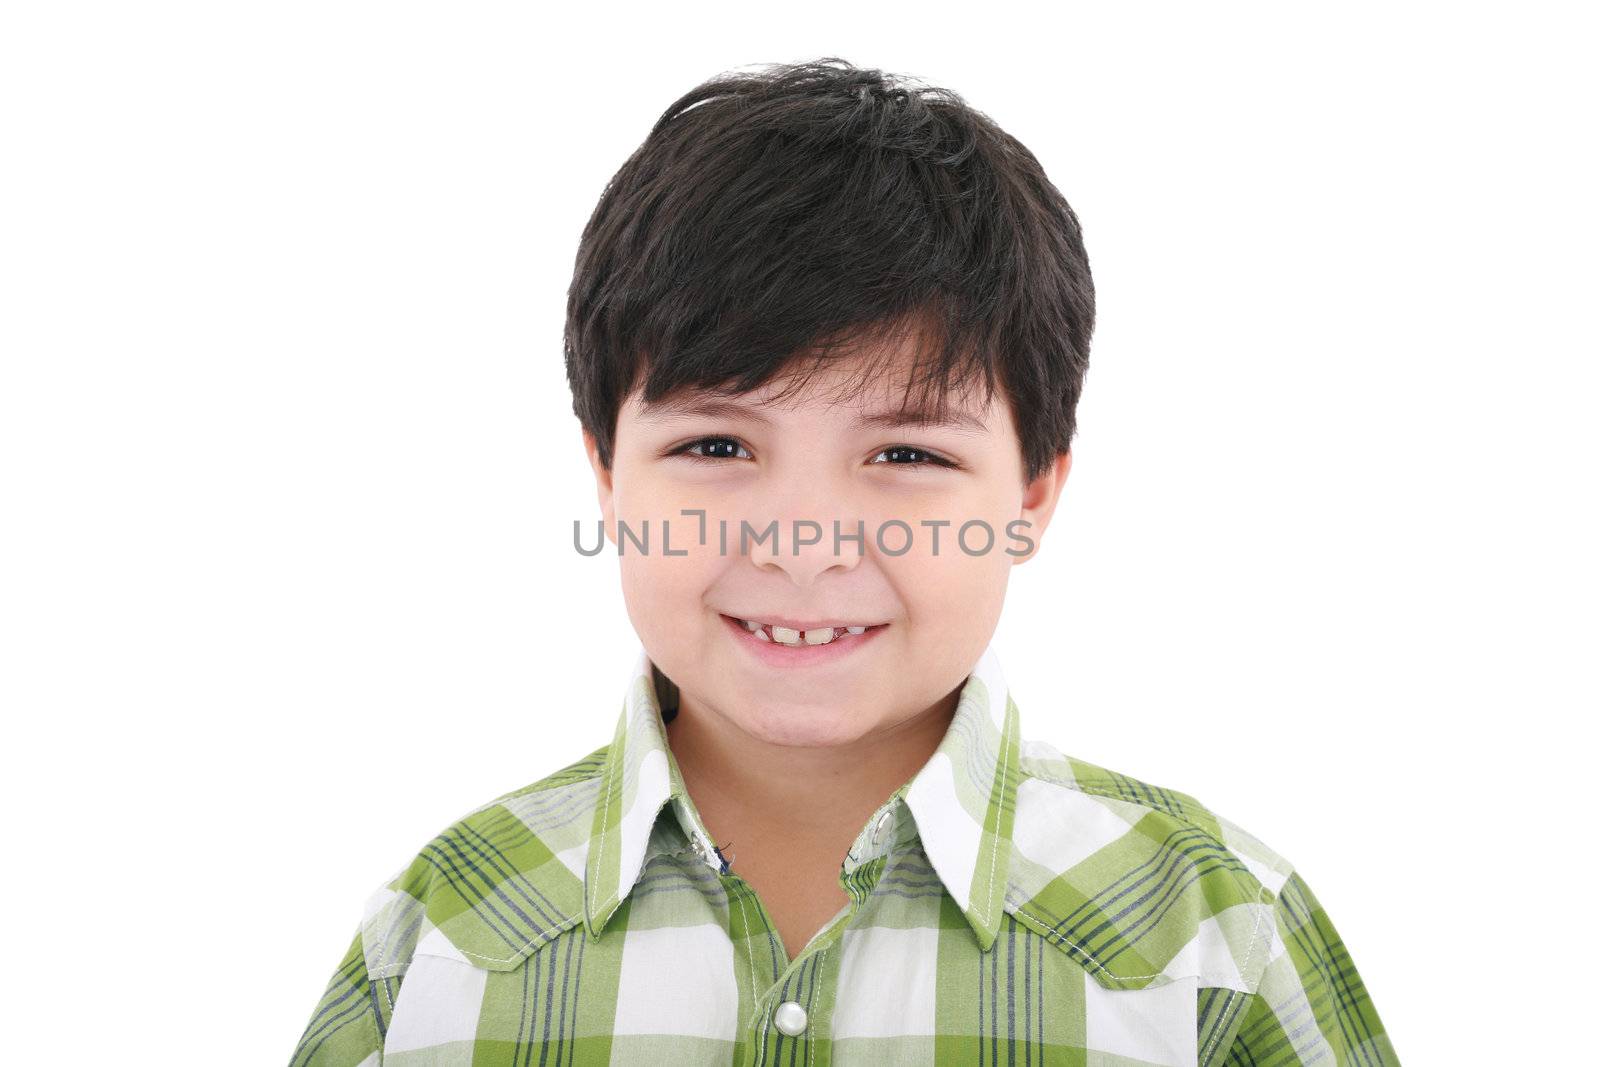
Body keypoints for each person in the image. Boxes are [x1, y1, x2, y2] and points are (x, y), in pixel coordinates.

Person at [290, 57, 1399, 1066]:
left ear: (1031, 494)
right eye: (716, 445)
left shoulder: (1215, 935)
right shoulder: (435, 943)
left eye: (906, 452)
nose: (805, 545)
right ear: (607, 476)